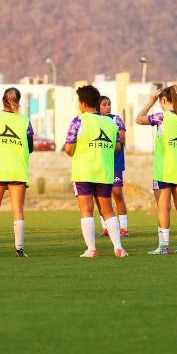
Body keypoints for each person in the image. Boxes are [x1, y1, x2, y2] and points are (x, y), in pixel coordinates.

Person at [64, 85, 127, 258]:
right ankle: (118, 248)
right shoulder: (111, 123)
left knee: (86, 210)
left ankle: (91, 249)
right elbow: (117, 147)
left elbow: (68, 148)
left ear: (83, 103)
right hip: (104, 172)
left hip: (83, 172)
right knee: (107, 210)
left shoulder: (78, 121)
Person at [136, 86, 177, 254]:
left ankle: (163, 247)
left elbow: (138, 119)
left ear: (162, 100)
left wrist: (150, 103)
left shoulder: (162, 116)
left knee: (163, 208)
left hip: (164, 169)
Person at [0, 87, 34, 258]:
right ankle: (19, 249)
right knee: (18, 209)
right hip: (17, 169)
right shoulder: (25, 121)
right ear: (19, 101)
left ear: (3, 100)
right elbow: (30, 148)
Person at [98, 95, 129, 237]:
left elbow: (122, 138)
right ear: (98, 106)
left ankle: (123, 228)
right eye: (104, 104)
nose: (108, 107)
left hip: (115, 162)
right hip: (100, 163)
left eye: (109, 104)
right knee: (102, 196)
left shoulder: (116, 119)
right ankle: (106, 227)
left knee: (117, 194)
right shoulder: (95, 120)